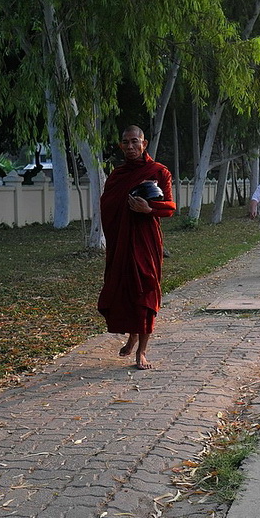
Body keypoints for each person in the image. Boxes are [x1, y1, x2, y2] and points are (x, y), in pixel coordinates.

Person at [97, 126, 176, 370]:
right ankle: (132, 336)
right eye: (125, 142)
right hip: (121, 241)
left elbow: (170, 207)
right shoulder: (117, 176)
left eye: (135, 141)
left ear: (144, 143)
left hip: (146, 241)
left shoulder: (158, 172)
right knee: (125, 289)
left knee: (146, 290)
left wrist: (149, 209)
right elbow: (107, 206)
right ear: (120, 145)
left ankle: (142, 351)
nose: (130, 146)